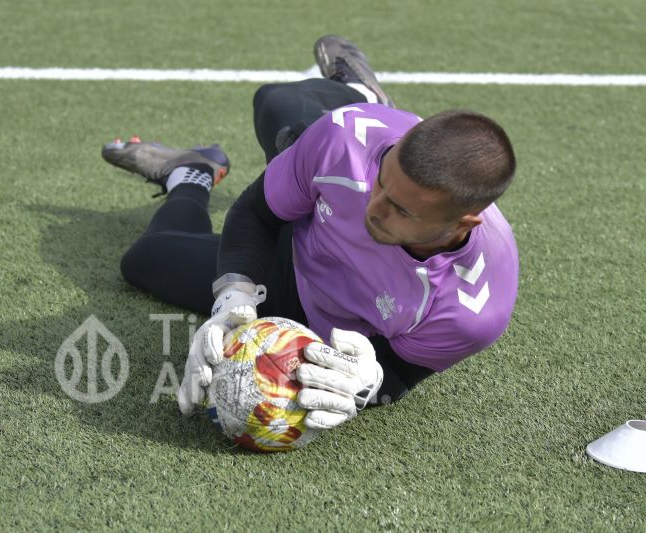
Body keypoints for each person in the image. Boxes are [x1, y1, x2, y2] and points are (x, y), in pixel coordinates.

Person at [104, 35, 518, 432]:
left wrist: (367, 381)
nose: (374, 208)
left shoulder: (475, 310)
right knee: (274, 101)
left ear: (463, 223)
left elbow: (399, 373)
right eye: (381, 182)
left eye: (401, 209)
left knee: (146, 255)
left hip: (330, 336)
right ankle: (361, 94)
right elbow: (256, 213)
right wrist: (233, 295)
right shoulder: (348, 141)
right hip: (301, 242)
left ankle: (190, 174)